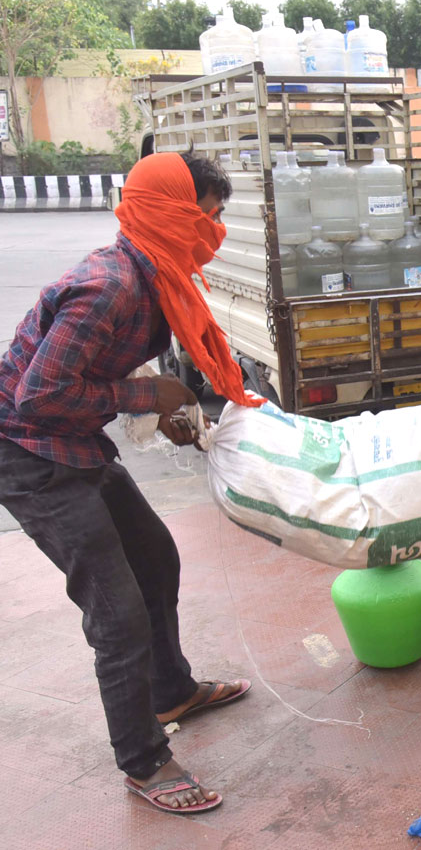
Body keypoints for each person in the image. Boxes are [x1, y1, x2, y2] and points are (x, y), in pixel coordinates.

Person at [0, 152, 263, 813]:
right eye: (209, 215)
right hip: (30, 453)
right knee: (116, 615)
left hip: (73, 442)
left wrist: (164, 405)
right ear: (171, 213)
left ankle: (171, 689)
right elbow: (41, 395)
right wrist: (147, 392)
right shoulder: (112, 284)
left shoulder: (158, 275)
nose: (216, 231)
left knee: (155, 559)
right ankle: (143, 760)